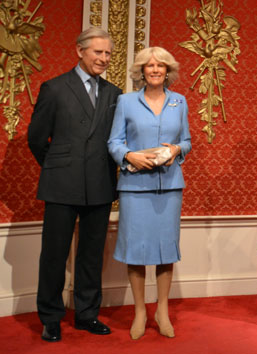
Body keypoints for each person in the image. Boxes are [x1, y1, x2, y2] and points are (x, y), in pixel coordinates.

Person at [27, 27, 122, 343]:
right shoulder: (54, 88)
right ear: (80, 51)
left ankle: (87, 315)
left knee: (92, 255)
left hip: (100, 183)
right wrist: (58, 167)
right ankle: (51, 318)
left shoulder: (114, 93)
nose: (104, 59)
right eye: (98, 52)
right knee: (54, 255)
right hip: (60, 183)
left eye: (108, 53)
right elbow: (37, 139)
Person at [107, 47, 191, 339]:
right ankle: (140, 311)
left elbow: (187, 141)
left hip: (169, 186)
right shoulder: (126, 102)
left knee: (166, 250)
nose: (155, 70)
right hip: (134, 187)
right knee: (137, 251)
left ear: (168, 71)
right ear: (141, 71)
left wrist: (177, 149)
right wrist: (129, 156)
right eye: (149, 65)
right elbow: (114, 142)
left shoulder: (179, 102)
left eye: (160, 65)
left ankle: (162, 310)